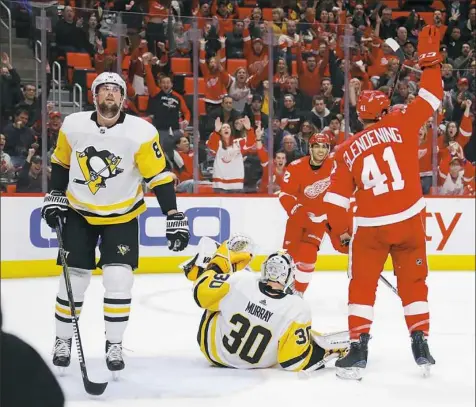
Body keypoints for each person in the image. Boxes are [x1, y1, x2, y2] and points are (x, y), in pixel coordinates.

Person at [40, 72, 190, 376]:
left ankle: (114, 343)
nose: (110, 94)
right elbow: (61, 162)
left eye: (115, 90)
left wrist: (172, 213)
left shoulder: (141, 132)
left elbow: (159, 176)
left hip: (122, 215)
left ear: (123, 98)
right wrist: (56, 194)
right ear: (94, 96)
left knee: (119, 279)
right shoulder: (73, 125)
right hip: (79, 213)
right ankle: (63, 340)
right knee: (75, 280)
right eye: (104, 90)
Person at [323, 26, 443, 380]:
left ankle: (358, 350)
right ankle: (420, 341)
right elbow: (433, 95)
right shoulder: (404, 122)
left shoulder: (346, 151)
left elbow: (336, 200)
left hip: (371, 228)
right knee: (414, 282)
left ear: (360, 117)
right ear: (387, 109)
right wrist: (430, 60)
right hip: (408, 222)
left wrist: (340, 234)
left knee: (361, 285)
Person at [180, 235, 349, 372]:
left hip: (213, 352)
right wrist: (325, 352)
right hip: (256, 363)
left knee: (216, 290)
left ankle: (200, 268)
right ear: (290, 276)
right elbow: (293, 361)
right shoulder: (298, 308)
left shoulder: (240, 281)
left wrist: (219, 263)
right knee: (285, 329)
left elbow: (200, 294)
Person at [278, 133, 335, 295]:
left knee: (308, 257)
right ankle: (278, 290)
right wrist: (297, 210)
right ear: (310, 148)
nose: (320, 150)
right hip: (297, 220)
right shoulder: (296, 167)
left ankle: (298, 293)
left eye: (324, 147)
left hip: (319, 222)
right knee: (289, 257)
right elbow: (285, 195)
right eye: (317, 146)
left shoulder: (335, 166)